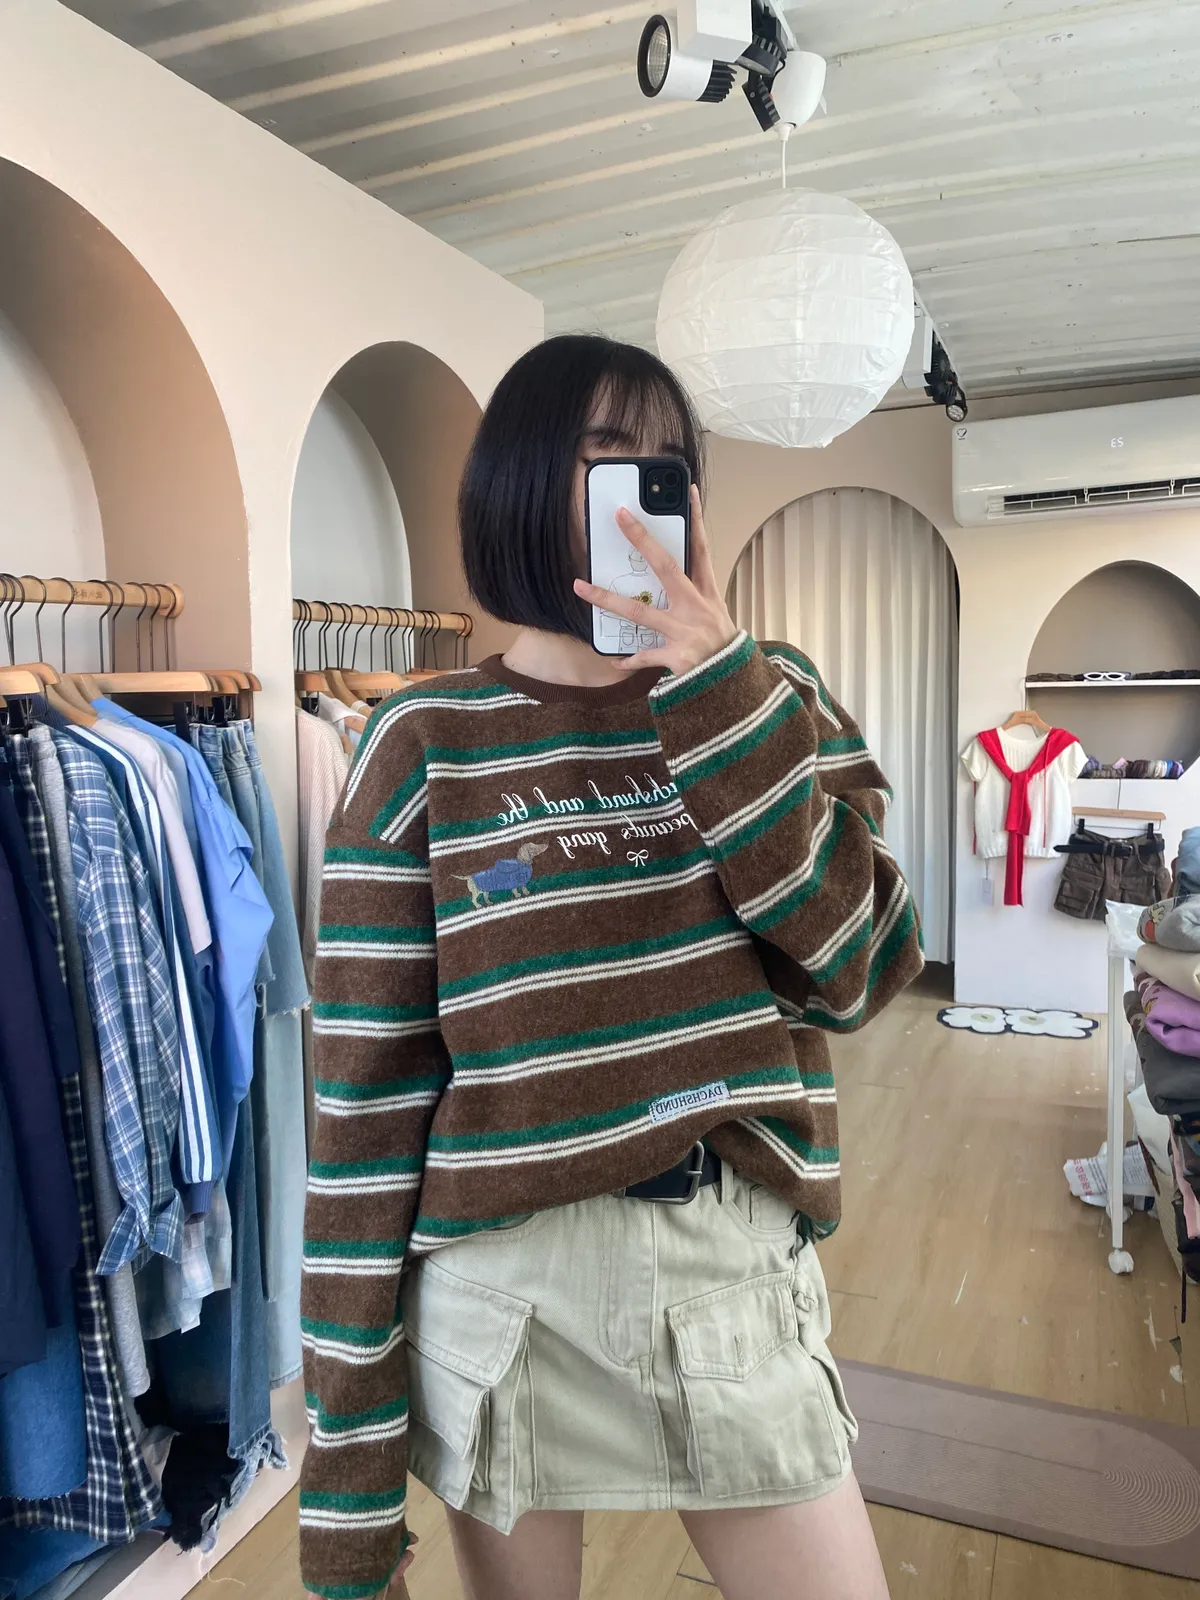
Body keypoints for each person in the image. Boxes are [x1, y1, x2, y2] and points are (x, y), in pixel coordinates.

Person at [300, 334, 923, 1600]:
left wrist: (723, 693)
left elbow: (862, 968)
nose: (646, 487)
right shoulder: (420, 742)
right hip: (504, 1299)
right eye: (606, 456)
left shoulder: (771, 694)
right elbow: (362, 1115)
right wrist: (348, 1500)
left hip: (727, 1271)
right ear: (523, 482)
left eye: (669, 463)